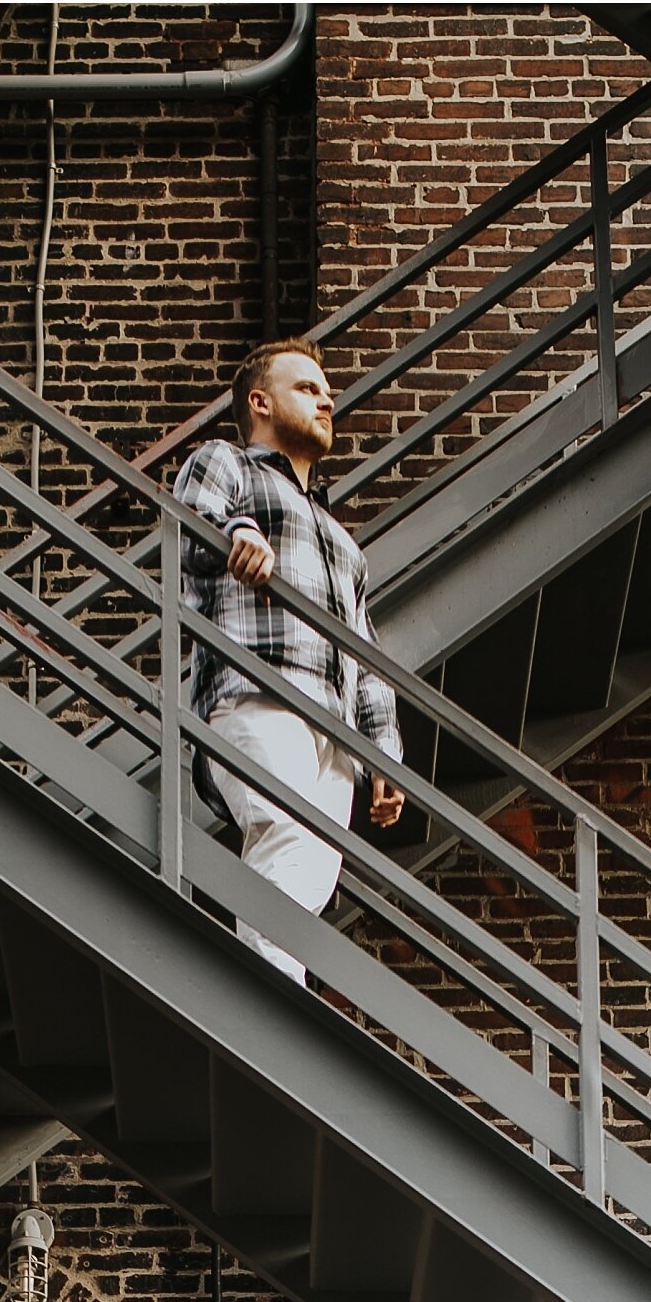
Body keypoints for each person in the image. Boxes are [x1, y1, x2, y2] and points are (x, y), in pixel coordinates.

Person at [173, 341, 406, 981]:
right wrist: (238, 534)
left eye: (325, 390)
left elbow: (367, 652)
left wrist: (383, 754)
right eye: (307, 388)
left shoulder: (341, 541)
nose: (327, 399)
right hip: (257, 687)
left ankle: (273, 998)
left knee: (314, 870)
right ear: (261, 401)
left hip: (333, 730)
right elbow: (192, 517)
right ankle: (272, 1018)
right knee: (286, 834)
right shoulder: (228, 463)